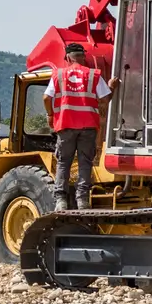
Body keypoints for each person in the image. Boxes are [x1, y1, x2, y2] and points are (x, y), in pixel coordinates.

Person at [44, 43, 112, 211]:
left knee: (63, 163)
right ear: (83, 57)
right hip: (88, 127)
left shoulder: (58, 75)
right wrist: (112, 86)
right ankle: (82, 201)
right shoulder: (93, 75)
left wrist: (50, 115)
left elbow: (46, 97)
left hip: (65, 126)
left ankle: (61, 201)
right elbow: (104, 99)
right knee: (85, 163)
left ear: (67, 58)